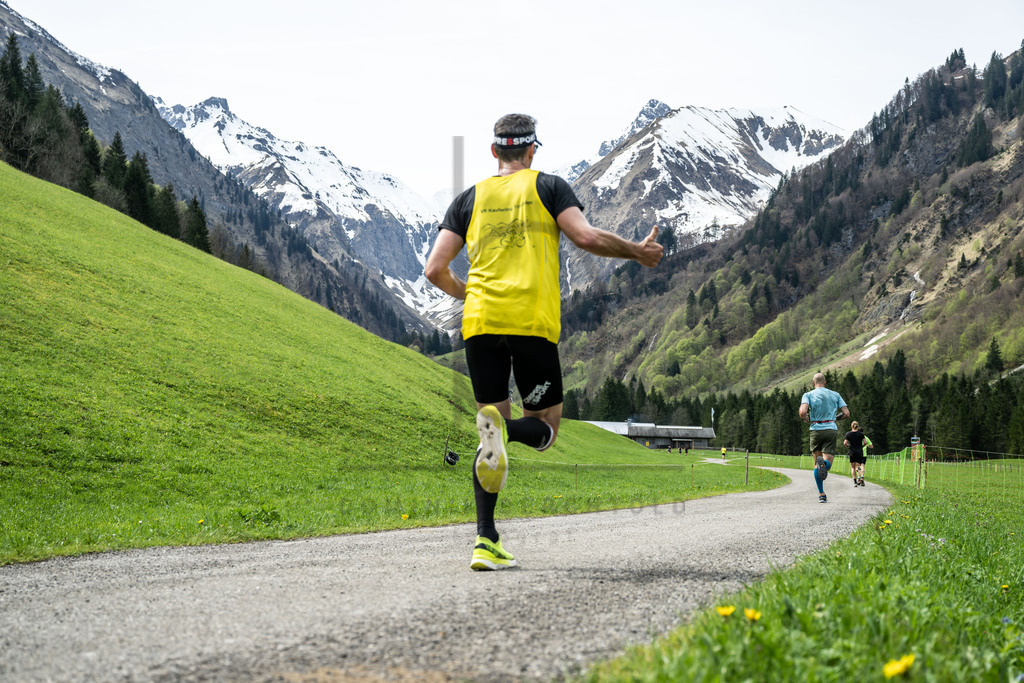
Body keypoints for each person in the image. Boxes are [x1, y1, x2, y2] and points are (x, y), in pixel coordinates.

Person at [425, 113, 663, 570]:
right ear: (532, 150)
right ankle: (505, 434)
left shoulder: (468, 199)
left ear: (494, 152)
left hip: (479, 327)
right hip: (530, 325)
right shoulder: (548, 187)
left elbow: (435, 269)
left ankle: (485, 539)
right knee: (546, 429)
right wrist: (637, 251)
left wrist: (470, 293)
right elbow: (585, 237)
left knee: (489, 426)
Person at [798, 372, 850, 503]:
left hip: (815, 429)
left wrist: (805, 419)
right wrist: (835, 419)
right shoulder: (835, 394)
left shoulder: (808, 395)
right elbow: (846, 413)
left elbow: (803, 411)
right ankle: (824, 464)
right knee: (827, 464)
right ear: (825, 382)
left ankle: (821, 494)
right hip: (830, 429)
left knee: (817, 463)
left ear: (813, 383)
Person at [844, 421, 872, 487]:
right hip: (859, 452)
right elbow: (865, 443)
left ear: (851, 426)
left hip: (852, 452)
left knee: (852, 467)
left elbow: (845, 443)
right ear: (857, 426)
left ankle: (855, 482)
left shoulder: (848, 434)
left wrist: (848, 445)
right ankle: (860, 478)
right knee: (858, 466)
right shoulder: (861, 434)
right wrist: (861, 447)